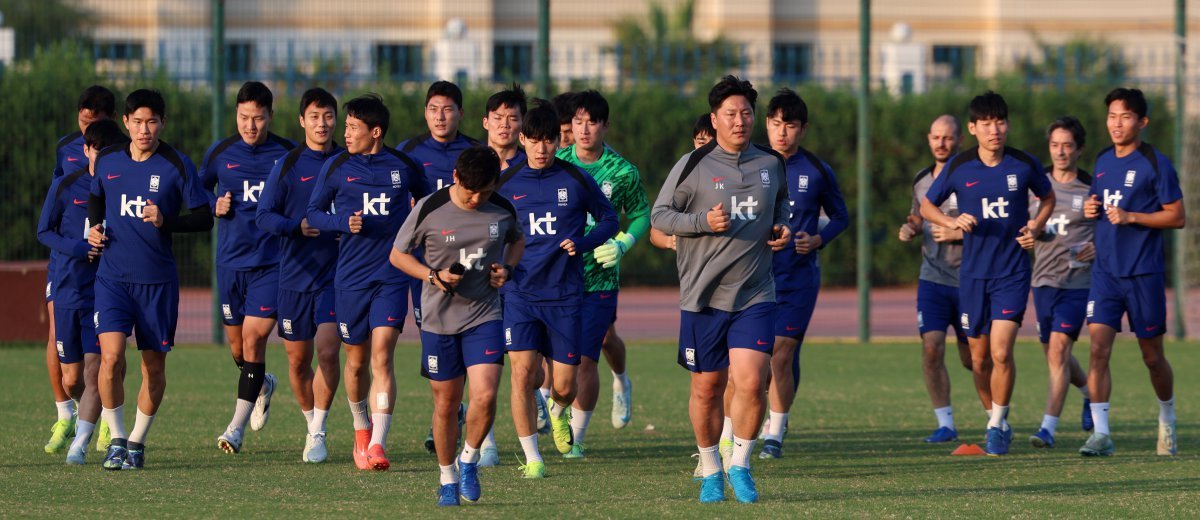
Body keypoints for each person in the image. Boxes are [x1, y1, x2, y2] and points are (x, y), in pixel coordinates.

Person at [652, 75, 791, 503]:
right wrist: (700, 223)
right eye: (730, 114)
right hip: (703, 297)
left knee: (753, 381)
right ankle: (711, 465)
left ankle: (741, 464)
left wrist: (783, 229)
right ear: (714, 120)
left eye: (746, 113)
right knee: (707, 387)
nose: (739, 121)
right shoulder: (692, 165)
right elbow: (660, 217)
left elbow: (781, 205)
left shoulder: (771, 164)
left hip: (754, 292)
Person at [920, 91, 1055, 457]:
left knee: (1000, 352)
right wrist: (951, 221)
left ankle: (997, 424)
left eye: (1001, 121)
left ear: (1007, 125)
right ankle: (995, 416)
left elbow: (1048, 198)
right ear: (973, 128)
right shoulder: (960, 166)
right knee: (977, 360)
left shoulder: (1024, 164)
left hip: (1012, 273)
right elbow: (927, 204)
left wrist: (1036, 226)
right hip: (973, 276)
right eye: (987, 123)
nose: (995, 129)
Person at [391, 146, 525, 506]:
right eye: (470, 191)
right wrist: (433, 276)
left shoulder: (502, 208)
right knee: (447, 403)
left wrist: (506, 270)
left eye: (484, 191)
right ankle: (446, 476)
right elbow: (398, 254)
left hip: (484, 314)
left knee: (484, 394)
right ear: (455, 178)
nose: (476, 198)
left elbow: (517, 241)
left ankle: (469, 460)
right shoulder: (430, 208)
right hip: (438, 319)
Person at [88, 88, 214, 470]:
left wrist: (166, 221)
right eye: (138, 122)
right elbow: (96, 196)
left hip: (157, 283)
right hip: (112, 278)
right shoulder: (109, 158)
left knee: (152, 368)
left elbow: (204, 217)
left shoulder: (176, 164)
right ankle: (117, 440)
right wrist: (94, 227)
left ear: (163, 123)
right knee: (110, 359)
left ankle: (137, 442)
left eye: (152, 122)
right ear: (125, 123)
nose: (145, 130)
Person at [306, 94, 431, 470]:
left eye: (352, 128)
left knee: (382, 356)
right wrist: (341, 223)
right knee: (356, 363)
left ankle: (377, 445)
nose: (344, 133)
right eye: (345, 127)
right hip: (349, 279)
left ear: (375, 132)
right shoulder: (336, 166)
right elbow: (313, 213)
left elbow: (428, 204)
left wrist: (416, 224)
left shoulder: (404, 166)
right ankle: (361, 431)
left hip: (391, 277)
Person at [496, 100, 618, 478]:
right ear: (524, 139)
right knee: (521, 373)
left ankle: (559, 410)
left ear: (556, 141)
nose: (542, 148)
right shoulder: (506, 183)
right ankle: (533, 457)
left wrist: (582, 244)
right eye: (535, 141)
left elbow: (610, 219)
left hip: (565, 296)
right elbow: (485, 225)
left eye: (549, 141)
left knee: (565, 385)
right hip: (520, 295)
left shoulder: (576, 179)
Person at [1080, 88, 1184, 457]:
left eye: (1125, 117)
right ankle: (1102, 434)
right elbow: (1098, 203)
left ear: (1142, 122)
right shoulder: (1103, 160)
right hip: (1105, 274)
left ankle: (1167, 418)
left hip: (1143, 273)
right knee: (1097, 349)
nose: (1116, 123)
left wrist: (1132, 217)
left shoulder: (1156, 163)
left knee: (1152, 357)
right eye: (1112, 116)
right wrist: (1091, 210)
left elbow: (1177, 216)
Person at [553, 90, 650, 457]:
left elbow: (642, 214)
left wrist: (623, 243)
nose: (584, 129)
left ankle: (576, 437)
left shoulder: (622, 171)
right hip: (558, 275)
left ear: (605, 125)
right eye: (578, 122)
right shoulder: (557, 163)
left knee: (586, 357)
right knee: (559, 357)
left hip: (600, 276)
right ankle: (556, 410)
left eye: (592, 122)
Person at [203, 81, 297, 454]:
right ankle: (262, 384)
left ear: (270, 116)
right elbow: (197, 193)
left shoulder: (289, 154)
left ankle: (235, 429)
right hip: (230, 262)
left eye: (258, 118)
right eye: (244, 117)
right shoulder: (221, 153)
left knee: (255, 338)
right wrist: (214, 206)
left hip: (272, 263)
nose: (250, 125)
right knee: (238, 348)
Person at [756, 88, 849, 459]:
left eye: (790, 125)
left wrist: (819, 239)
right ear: (766, 124)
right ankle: (764, 417)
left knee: (780, 353)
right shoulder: (751, 164)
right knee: (759, 359)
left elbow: (841, 216)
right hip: (754, 276)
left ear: (803, 129)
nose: (782, 132)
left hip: (798, 279)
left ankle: (774, 434)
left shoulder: (816, 169)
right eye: (776, 124)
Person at [255, 87, 344, 462]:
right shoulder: (287, 164)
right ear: (302, 121)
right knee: (297, 360)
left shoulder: (348, 162)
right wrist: (297, 226)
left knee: (327, 352)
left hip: (337, 277)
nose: (321, 124)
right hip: (293, 277)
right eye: (314, 117)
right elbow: (264, 216)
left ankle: (319, 429)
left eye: (327, 117)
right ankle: (311, 423)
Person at [37, 119, 127, 464]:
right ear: (86, 151)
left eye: (109, 153)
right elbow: (44, 232)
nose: (102, 159)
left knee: (97, 369)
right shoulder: (64, 186)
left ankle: (83, 443)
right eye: (96, 152)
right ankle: (87, 412)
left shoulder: (121, 188)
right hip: (68, 290)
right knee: (72, 378)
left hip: (104, 293)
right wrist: (79, 248)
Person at [398, 81, 479, 455]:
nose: (440, 116)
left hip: (473, 265)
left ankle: (448, 416)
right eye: (433, 109)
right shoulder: (408, 155)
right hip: (428, 271)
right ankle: (449, 410)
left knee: (471, 337)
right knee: (436, 340)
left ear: (460, 113)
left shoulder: (477, 152)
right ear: (425, 112)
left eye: (447, 109)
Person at [898, 114, 988, 443]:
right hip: (932, 278)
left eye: (948, 138)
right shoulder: (922, 180)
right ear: (928, 139)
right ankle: (945, 423)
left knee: (974, 359)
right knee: (932, 349)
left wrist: (956, 233)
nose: (941, 143)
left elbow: (989, 221)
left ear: (960, 140)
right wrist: (910, 227)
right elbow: (918, 214)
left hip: (969, 278)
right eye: (936, 137)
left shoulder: (974, 176)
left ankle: (996, 417)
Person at [1028, 116, 1095, 449]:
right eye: (1055, 145)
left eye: (1067, 145)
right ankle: (1089, 393)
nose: (1060, 151)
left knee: (1058, 350)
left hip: (1077, 284)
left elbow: (1111, 230)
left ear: (1079, 149)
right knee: (1055, 356)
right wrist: (1028, 233)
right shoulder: (1036, 186)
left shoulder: (1092, 188)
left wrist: (1098, 246)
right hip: (1042, 282)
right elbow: (1022, 224)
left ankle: (1047, 429)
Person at [651, 114, 712, 252]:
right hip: (696, 268)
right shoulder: (687, 167)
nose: (707, 149)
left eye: (713, 143)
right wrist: (670, 241)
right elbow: (656, 229)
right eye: (701, 142)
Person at [482, 83, 528, 171]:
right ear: (485, 123)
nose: (505, 124)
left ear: (523, 124)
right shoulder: (471, 163)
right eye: (498, 118)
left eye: (513, 119)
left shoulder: (530, 165)